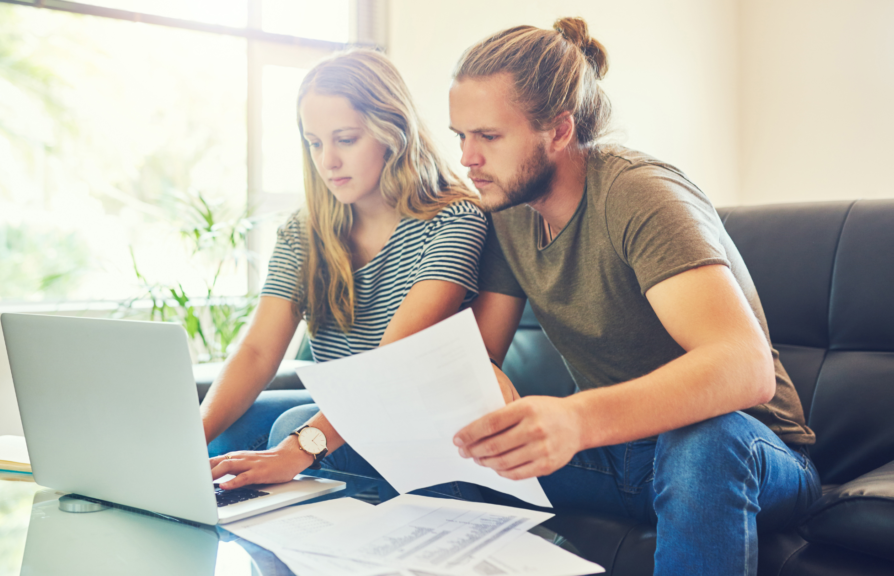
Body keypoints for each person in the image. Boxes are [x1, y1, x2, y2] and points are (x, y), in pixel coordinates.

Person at [446, 18, 822, 575]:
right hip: (621, 456)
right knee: (428, 450)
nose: (467, 159)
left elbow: (746, 369)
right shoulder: (506, 213)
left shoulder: (638, 193)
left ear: (558, 130)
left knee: (703, 443)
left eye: (489, 137)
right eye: (460, 136)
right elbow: (481, 355)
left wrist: (575, 419)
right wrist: (493, 405)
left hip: (748, 453)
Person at [200, 49, 489, 501]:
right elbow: (257, 351)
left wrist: (299, 446)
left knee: (289, 426)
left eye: (346, 139)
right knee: (229, 434)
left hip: (423, 423)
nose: (327, 161)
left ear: (392, 133)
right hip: (348, 415)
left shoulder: (454, 221)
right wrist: (187, 439)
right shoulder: (303, 230)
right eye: (314, 143)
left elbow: (388, 370)